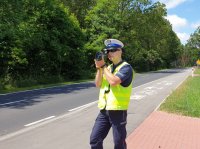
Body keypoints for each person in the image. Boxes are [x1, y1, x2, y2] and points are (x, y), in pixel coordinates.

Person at [90, 39, 134, 149]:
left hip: (118, 111)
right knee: (94, 140)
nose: (109, 53)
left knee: (119, 144)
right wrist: (99, 69)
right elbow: (98, 83)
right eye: (108, 51)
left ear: (120, 51)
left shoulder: (126, 67)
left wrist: (103, 66)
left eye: (113, 50)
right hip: (104, 111)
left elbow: (114, 81)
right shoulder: (108, 68)